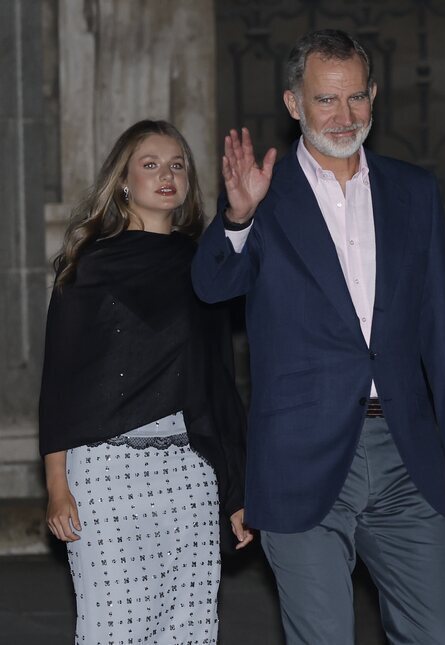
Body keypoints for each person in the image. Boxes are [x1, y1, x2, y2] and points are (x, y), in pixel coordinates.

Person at [191, 29, 445, 644]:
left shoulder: (414, 191)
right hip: (300, 458)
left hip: (407, 455)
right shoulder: (263, 197)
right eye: (326, 100)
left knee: (438, 636)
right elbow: (211, 288)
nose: (344, 115)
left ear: (374, 97)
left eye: (356, 98)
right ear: (294, 104)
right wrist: (238, 218)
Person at [40, 119, 253, 644]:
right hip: (106, 472)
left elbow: (219, 381)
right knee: (114, 627)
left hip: (190, 472)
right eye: (150, 164)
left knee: (190, 627)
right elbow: (61, 381)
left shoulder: (203, 264)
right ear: (124, 182)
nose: (166, 175)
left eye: (177, 165)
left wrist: (236, 490)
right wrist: (56, 485)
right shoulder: (88, 268)